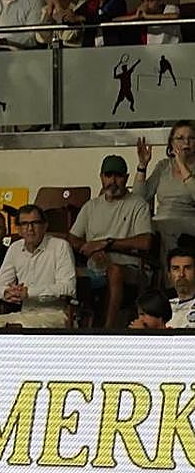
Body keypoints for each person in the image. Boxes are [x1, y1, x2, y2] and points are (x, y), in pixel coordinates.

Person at [67, 155, 153, 329]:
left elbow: (145, 242)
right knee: (66, 273)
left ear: (127, 178)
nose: (112, 181)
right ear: (101, 177)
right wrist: (89, 249)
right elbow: (72, 238)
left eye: (118, 176)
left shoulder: (138, 204)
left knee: (114, 270)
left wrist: (107, 244)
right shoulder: (91, 206)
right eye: (108, 176)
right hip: (94, 265)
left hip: (131, 267)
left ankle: (108, 330)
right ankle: (70, 329)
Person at [0, 204, 76, 328]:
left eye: (35, 223)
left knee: (24, 327)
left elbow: (68, 288)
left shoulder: (60, 246)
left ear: (45, 226)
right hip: (24, 314)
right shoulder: (15, 248)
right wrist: (7, 292)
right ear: (18, 229)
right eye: (24, 224)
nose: (30, 228)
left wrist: (29, 292)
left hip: (55, 314)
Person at [135, 121, 195, 259]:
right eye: (180, 138)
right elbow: (139, 198)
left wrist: (181, 163)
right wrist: (142, 166)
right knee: (143, 229)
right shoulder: (163, 166)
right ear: (172, 143)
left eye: (191, 138)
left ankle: (168, 277)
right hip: (160, 221)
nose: (186, 142)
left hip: (188, 221)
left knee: (164, 231)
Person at [165, 248, 195, 329]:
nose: (181, 274)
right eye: (176, 268)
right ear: (169, 275)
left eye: (187, 268)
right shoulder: (162, 304)